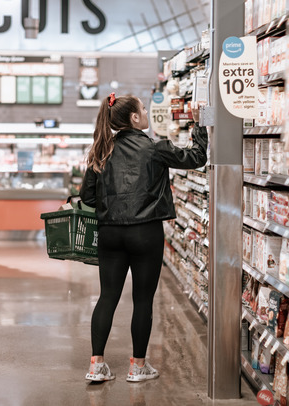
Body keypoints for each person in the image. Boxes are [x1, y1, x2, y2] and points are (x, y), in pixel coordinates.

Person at [80, 92, 208, 383]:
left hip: (110, 234)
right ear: (135, 118)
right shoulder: (154, 148)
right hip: (145, 233)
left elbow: (86, 195)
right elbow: (196, 158)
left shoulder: (102, 150)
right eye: (144, 110)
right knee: (142, 300)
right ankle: (138, 367)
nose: (148, 114)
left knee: (107, 297)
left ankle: (96, 365)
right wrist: (199, 126)